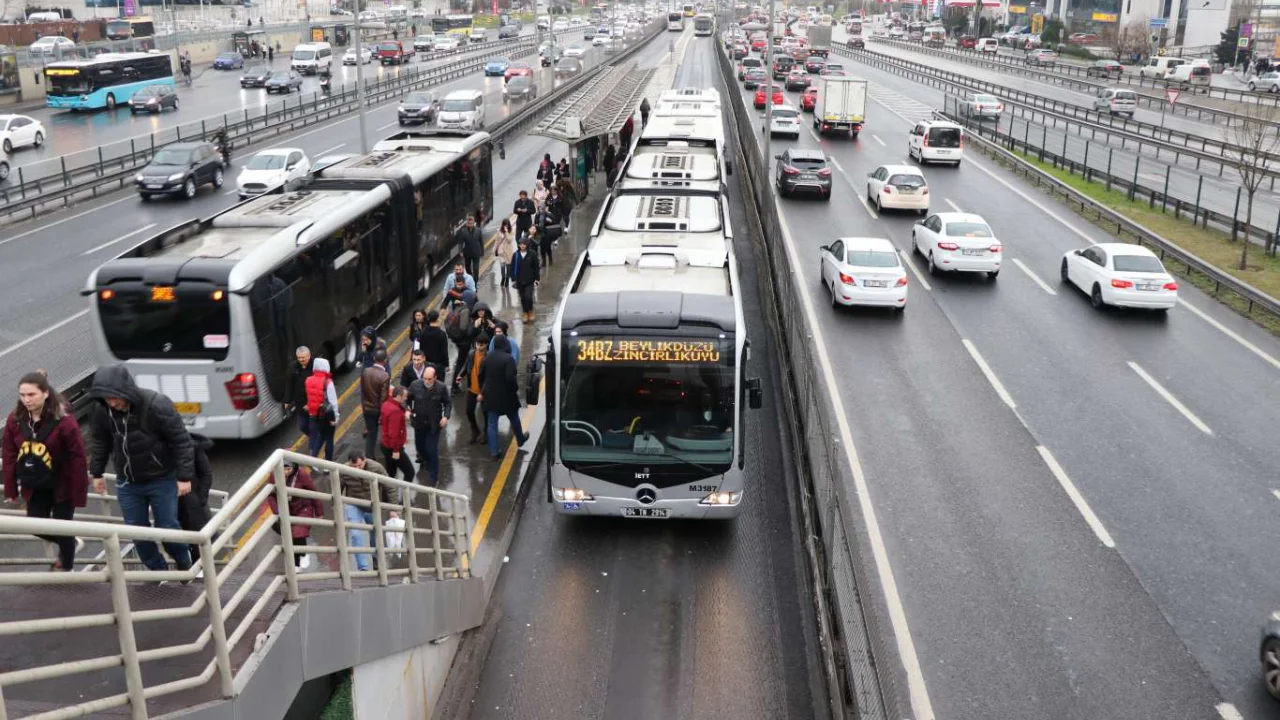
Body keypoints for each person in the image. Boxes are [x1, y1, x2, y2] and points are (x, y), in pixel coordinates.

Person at [86, 365, 194, 573]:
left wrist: (184, 477)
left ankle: (184, 561)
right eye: (106, 399)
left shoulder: (156, 404)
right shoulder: (102, 411)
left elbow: (181, 441)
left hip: (161, 478)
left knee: (167, 528)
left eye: (114, 397)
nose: (112, 403)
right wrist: (97, 473)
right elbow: (100, 442)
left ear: (125, 390)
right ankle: (158, 572)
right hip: (128, 482)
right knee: (137, 533)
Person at [2, 371, 88, 572]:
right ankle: (69, 542)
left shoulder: (64, 422)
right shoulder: (15, 420)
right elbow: (9, 454)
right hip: (35, 483)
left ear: (46, 394)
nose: (26, 400)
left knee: (63, 524)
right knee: (36, 525)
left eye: (31, 395)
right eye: (23, 395)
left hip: (61, 483)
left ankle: (66, 568)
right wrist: (11, 488)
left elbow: (77, 458)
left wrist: (79, 493)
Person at [341, 449, 397, 572]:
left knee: (375, 536)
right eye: (353, 466)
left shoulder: (376, 467)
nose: (357, 469)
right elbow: (337, 487)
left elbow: (390, 486)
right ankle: (363, 567)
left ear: (364, 460)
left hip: (373, 505)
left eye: (359, 465)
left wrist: (394, 509)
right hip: (354, 503)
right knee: (356, 535)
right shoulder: (344, 469)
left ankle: (376, 560)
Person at [480, 335, 529, 459]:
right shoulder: (508, 359)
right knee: (514, 418)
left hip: (491, 396)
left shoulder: (487, 357)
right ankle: (520, 439)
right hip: (507, 395)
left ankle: (494, 452)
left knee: (492, 424)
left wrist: (484, 390)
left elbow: (481, 375)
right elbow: (510, 378)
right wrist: (514, 389)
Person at [267, 460, 322, 568]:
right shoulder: (274, 475)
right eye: (283, 469)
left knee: (297, 532)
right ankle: (297, 562)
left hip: (304, 507)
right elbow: (271, 495)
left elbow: (314, 492)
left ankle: (302, 556)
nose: (286, 472)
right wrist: (277, 511)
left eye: (289, 469)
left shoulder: (302, 475)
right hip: (286, 508)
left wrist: (319, 512)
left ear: (294, 468)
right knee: (285, 530)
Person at [407, 367, 451, 486]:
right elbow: (406, 398)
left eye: (429, 379)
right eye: (425, 378)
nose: (427, 381)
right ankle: (427, 461)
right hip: (419, 424)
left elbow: (447, 403)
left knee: (432, 450)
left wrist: (445, 417)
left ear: (435, 378)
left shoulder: (441, 388)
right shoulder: (415, 385)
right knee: (420, 448)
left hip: (433, 425)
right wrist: (407, 409)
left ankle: (433, 477)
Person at [305, 358, 339, 459]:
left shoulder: (308, 380)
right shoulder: (328, 382)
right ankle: (328, 465)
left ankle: (313, 458)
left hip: (315, 415)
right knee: (329, 439)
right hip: (327, 415)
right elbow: (333, 402)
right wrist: (336, 417)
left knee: (320, 436)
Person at [380, 387, 416, 482]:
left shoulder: (386, 404)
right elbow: (394, 433)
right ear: (399, 396)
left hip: (385, 444)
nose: (405, 398)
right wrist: (396, 450)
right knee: (410, 472)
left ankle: (387, 495)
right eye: (404, 396)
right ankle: (404, 496)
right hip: (394, 448)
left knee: (390, 474)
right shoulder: (395, 411)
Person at [359, 349, 390, 457]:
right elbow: (384, 398)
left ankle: (369, 457)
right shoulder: (385, 376)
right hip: (378, 410)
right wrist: (382, 415)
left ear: (374, 359)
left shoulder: (365, 372)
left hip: (367, 409)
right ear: (385, 360)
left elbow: (363, 392)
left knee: (371, 436)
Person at [458, 335, 489, 444]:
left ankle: (486, 433)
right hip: (472, 389)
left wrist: (482, 392)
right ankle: (475, 430)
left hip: (483, 391)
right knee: (469, 411)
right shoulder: (471, 354)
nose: (478, 346)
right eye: (476, 344)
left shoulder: (488, 357)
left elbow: (489, 377)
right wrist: (461, 375)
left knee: (486, 413)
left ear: (486, 345)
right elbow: (467, 366)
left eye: (481, 344)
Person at [284, 346, 314, 437]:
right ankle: (313, 436)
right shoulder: (293, 367)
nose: (301, 360)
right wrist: (287, 400)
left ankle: (315, 441)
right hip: (300, 402)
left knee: (315, 425)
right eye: (299, 358)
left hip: (313, 400)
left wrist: (311, 404)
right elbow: (289, 383)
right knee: (302, 425)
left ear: (309, 356)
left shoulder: (315, 365)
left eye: (303, 357)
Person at [511, 236, 541, 323]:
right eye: (521, 244)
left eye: (524, 244)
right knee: (523, 298)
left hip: (529, 280)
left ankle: (530, 311)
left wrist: (537, 278)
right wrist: (513, 278)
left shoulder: (532, 254)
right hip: (519, 280)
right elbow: (512, 267)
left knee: (528, 297)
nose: (522, 246)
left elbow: (536, 267)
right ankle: (525, 312)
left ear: (527, 245)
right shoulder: (515, 255)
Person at [418, 311, 452, 380]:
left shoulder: (423, 333)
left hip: (426, 364)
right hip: (439, 366)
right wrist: (447, 365)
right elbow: (444, 351)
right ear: (437, 319)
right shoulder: (441, 334)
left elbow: (421, 349)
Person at [454, 215, 484, 279]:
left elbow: (481, 242)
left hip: (476, 252)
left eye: (471, 223)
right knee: (467, 268)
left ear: (474, 223)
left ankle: (475, 281)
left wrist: (482, 252)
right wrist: (461, 251)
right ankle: (470, 277)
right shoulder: (463, 231)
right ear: (467, 224)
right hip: (467, 253)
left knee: (476, 269)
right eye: (469, 223)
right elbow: (460, 242)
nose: (470, 225)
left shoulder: (478, 230)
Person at [495, 218, 515, 288]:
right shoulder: (499, 231)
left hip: (508, 252)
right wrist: (495, 249)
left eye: (506, 225)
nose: (505, 226)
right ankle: (503, 277)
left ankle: (507, 279)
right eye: (504, 225)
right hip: (501, 252)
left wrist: (506, 232)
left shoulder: (511, 231)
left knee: (508, 267)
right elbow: (497, 241)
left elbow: (509, 240)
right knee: (502, 266)